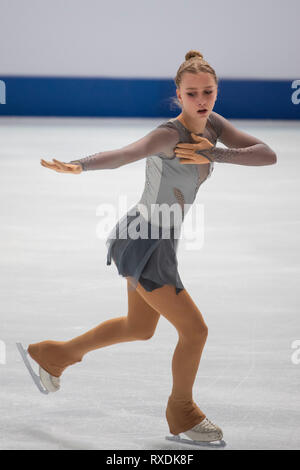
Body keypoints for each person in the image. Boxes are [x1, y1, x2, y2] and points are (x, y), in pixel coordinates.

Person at [18, 49, 277, 445]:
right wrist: (80, 165)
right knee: (195, 331)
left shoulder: (214, 128)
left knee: (138, 327)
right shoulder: (168, 134)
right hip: (143, 240)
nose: (201, 100)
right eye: (192, 94)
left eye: (208, 92)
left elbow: (267, 155)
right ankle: (182, 413)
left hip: (158, 237)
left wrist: (215, 153)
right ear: (178, 94)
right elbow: (123, 155)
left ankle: (55, 355)